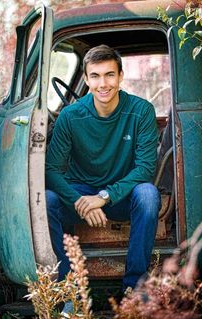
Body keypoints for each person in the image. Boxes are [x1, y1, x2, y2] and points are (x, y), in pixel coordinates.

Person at [45, 44, 161, 294]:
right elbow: (51, 170)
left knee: (148, 194)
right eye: (95, 76)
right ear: (86, 79)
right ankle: (69, 289)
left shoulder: (141, 111)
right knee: (46, 200)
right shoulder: (70, 116)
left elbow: (144, 169)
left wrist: (103, 197)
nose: (103, 84)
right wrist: (80, 201)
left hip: (121, 196)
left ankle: (135, 286)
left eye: (110, 74)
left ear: (120, 76)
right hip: (81, 196)